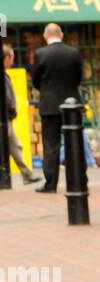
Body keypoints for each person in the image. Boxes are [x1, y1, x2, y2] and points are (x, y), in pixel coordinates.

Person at [29, 23, 83, 193]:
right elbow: (78, 77)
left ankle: (50, 184)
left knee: (51, 145)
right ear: (61, 35)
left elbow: (35, 79)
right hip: (71, 104)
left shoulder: (40, 54)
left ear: (45, 36)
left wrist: (46, 91)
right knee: (74, 142)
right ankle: (79, 180)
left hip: (49, 104)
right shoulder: (73, 53)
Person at [3, 45, 40, 184]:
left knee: (15, 145)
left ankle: (27, 175)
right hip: (4, 118)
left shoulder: (5, 74)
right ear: (6, 58)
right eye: (11, 58)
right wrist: (11, 109)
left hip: (7, 117)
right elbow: (6, 98)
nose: (12, 62)